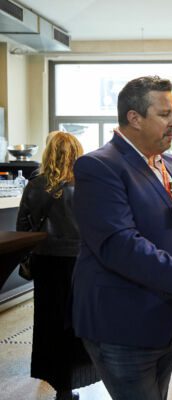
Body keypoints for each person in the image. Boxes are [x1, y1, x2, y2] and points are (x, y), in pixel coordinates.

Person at [70, 76, 172, 400]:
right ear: (134, 118)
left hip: (169, 315)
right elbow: (119, 245)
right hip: (123, 322)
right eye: (164, 114)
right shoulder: (100, 166)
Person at [16, 132, 99, 400]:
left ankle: (61, 387)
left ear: (48, 153)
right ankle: (84, 374)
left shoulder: (35, 185)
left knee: (50, 322)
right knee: (80, 321)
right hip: (81, 262)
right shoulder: (89, 185)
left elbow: (23, 227)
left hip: (47, 262)